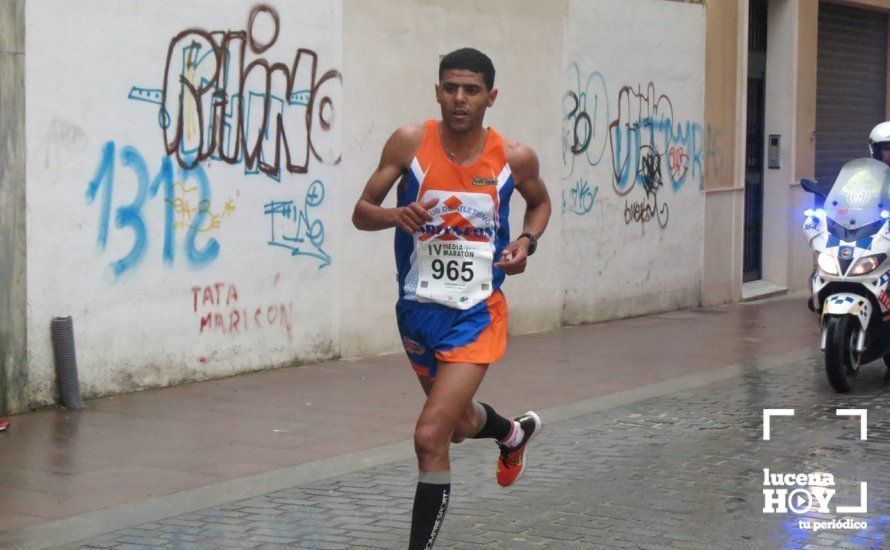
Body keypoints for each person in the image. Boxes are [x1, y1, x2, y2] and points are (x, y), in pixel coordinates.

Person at [352, 47, 551, 549]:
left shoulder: (513, 156)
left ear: (491, 96)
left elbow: (540, 202)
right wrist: (395, 216)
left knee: (429, 436)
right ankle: (511, 432)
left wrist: (526, 242)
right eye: (450, 88)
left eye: (471, 90)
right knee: (458, 424)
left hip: (476, 314)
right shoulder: (410, 143)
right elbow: (361, 211)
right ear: (437, 91)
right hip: (418, 311)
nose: (459, 99)